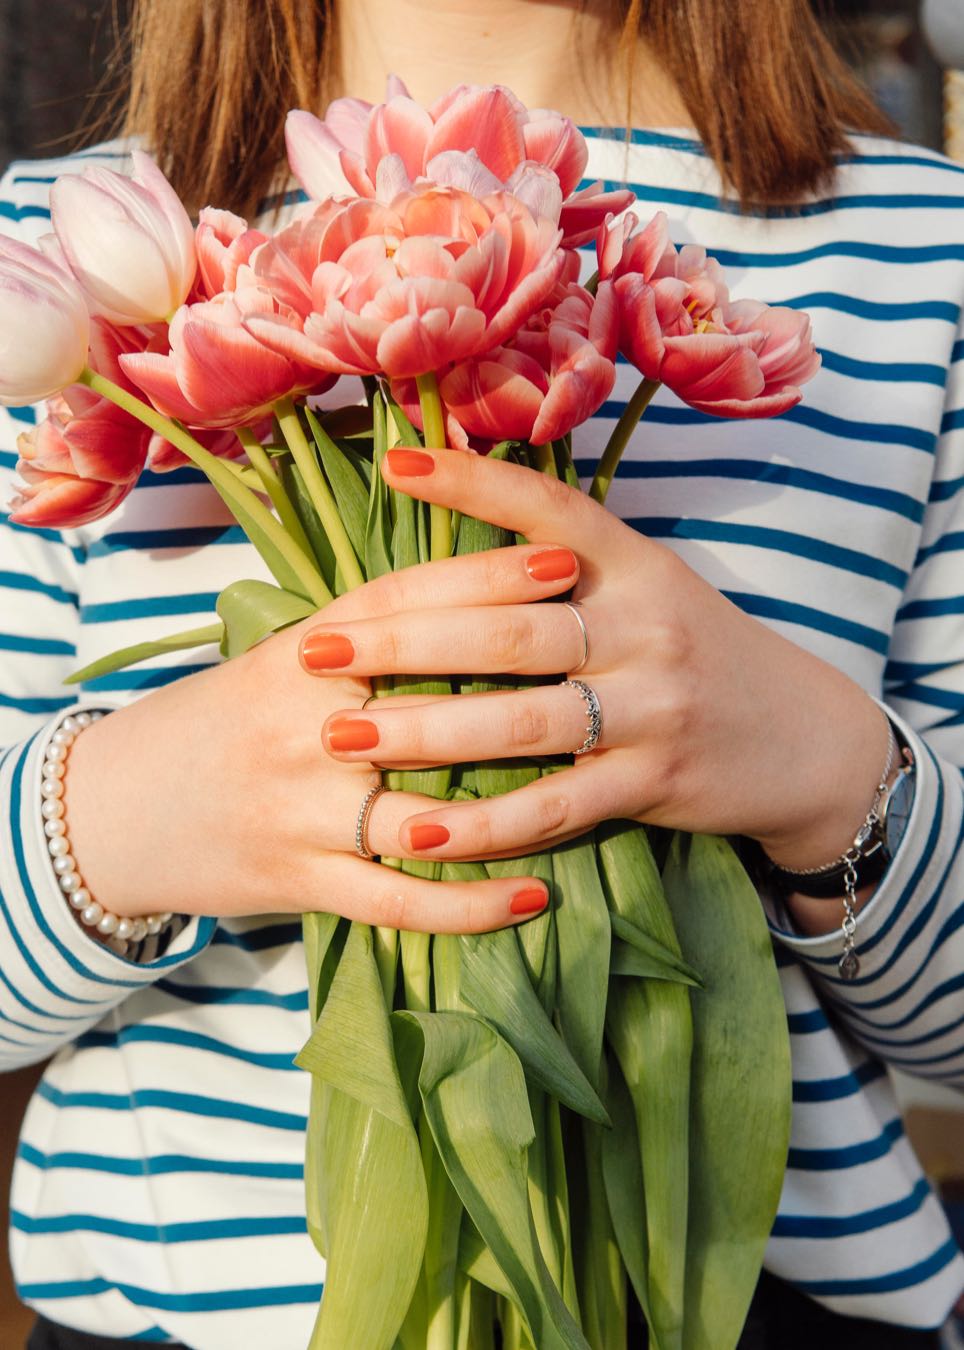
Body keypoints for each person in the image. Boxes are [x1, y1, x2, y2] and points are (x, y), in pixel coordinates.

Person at [1, 0, 963, 1347]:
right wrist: (128, 813)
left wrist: (822, 768)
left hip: (769, 1310)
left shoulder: (927, 248)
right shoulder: (65, 246)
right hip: (176, 1311)